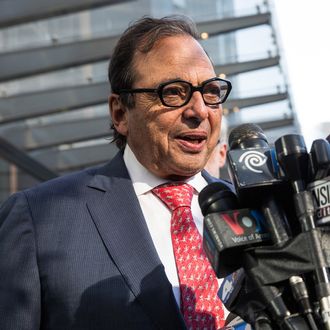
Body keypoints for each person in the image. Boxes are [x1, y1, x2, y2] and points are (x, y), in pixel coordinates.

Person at [0, 16, 236, 329]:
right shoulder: (38, 218)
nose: (199, 110)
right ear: (120, 113)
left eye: (210, 91)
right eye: (174, 92)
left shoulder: (257, 209)